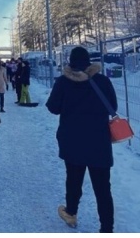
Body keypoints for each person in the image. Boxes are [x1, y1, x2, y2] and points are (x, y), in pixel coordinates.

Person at [46, 46, 116, 233]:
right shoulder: (102, 81)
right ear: (89, 61)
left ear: (71, 61)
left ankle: (71, 213)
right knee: (103, 189)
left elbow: (53, 107)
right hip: (98, 142)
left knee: (73, 180)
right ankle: (107, 229)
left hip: (72, 141)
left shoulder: (63, 82)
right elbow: (113, 106)